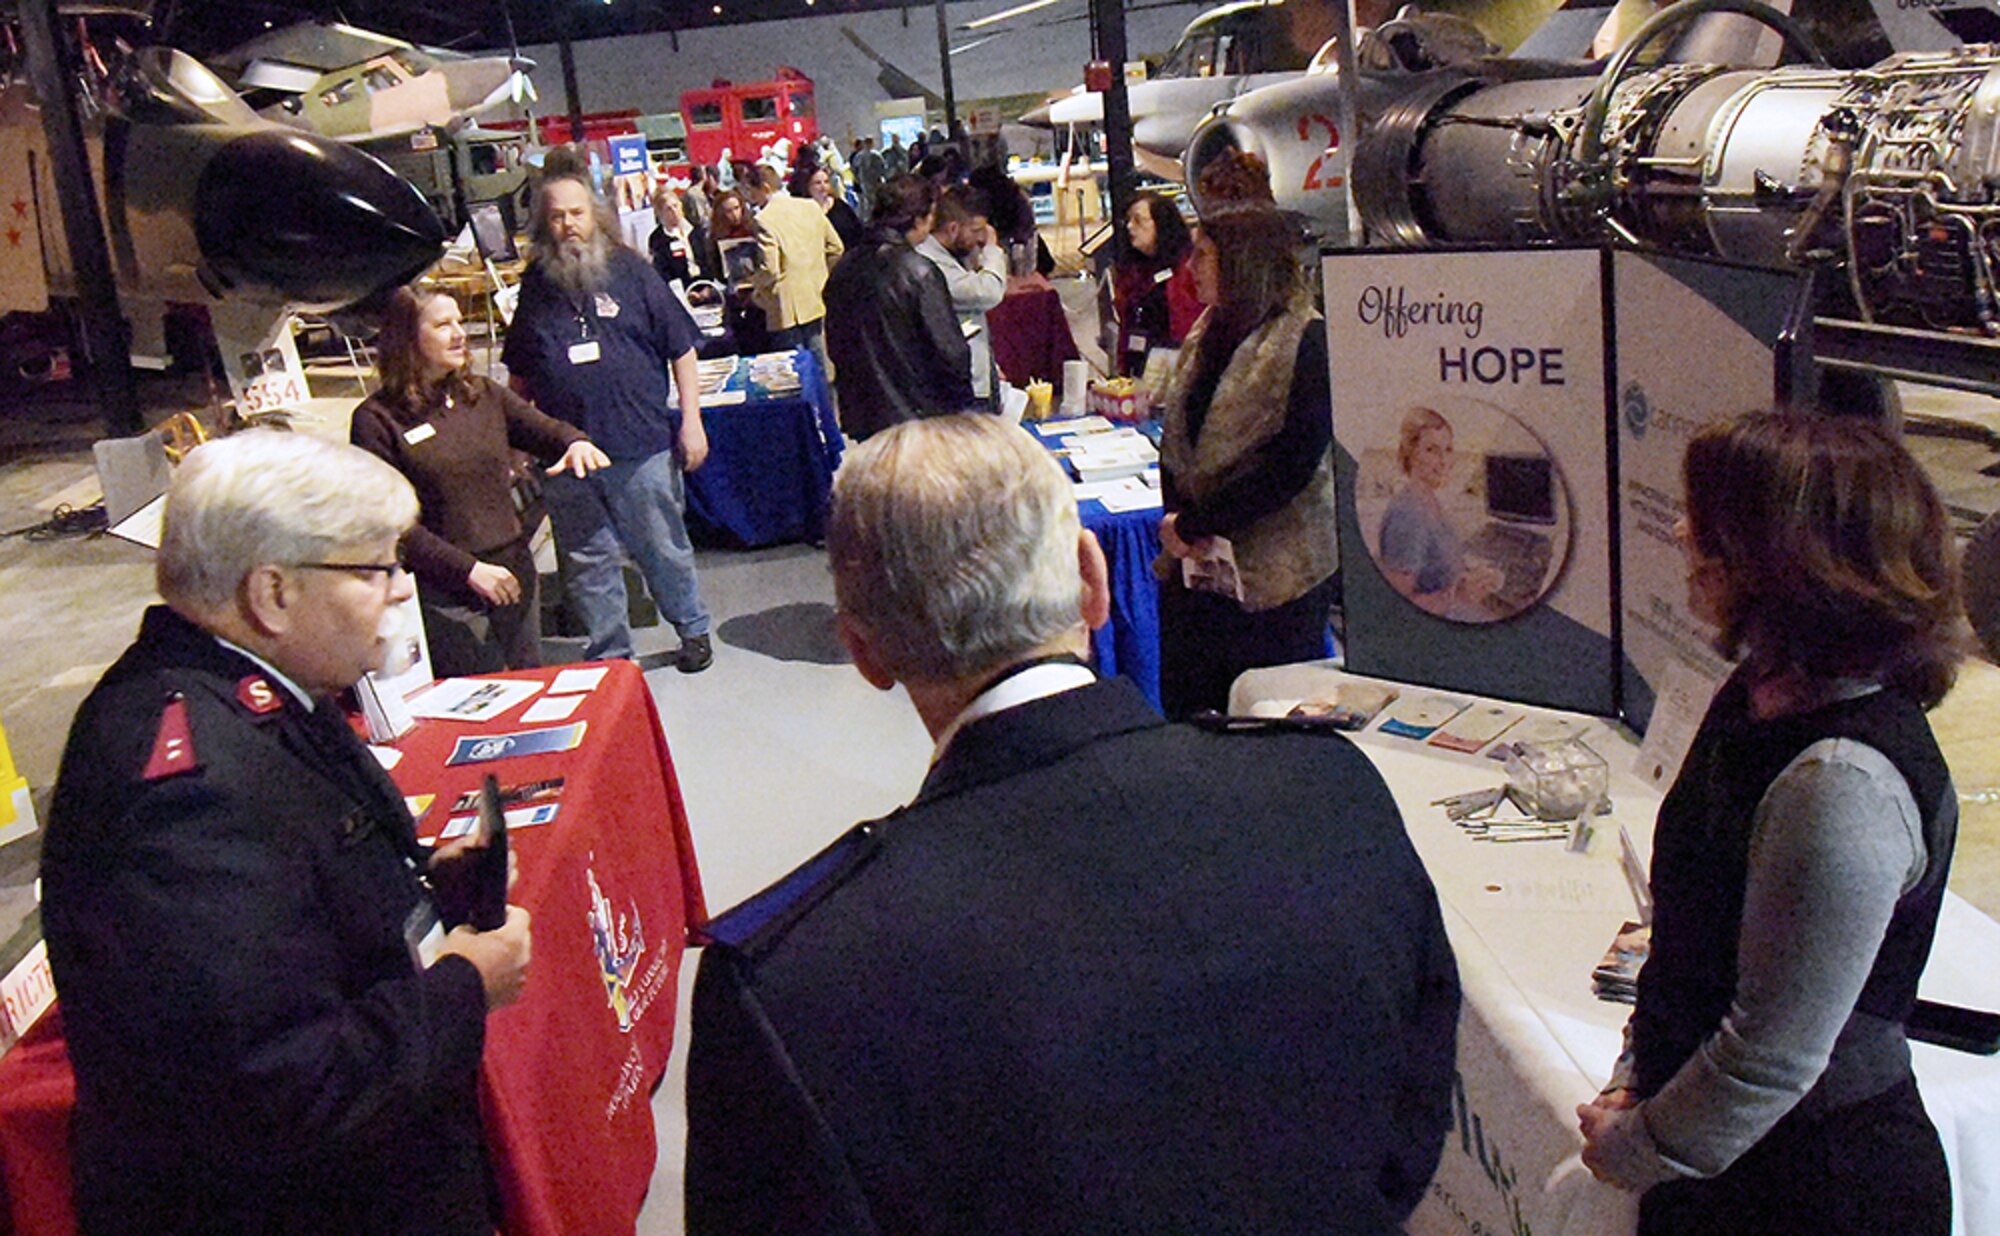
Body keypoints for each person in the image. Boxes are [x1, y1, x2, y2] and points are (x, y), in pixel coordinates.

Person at [684, 413, 1460, 1233]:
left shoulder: (795, 986)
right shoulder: (1331, 791)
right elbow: (1411, 1127)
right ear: (1094, 582)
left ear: (864, 653)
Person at [41, 430, 533, 1234]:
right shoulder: (188, 791)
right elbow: (273, 1086)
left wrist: (417, 888)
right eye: (377, 568)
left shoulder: (249, 692)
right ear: (273, 594)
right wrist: (462, 988)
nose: (403, 592)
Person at [1578, 413, 1966, 1235]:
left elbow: (1772, 1055)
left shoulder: (1839, 784)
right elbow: (1689, 940)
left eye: (1708, 523)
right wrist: (1634, 1070)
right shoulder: (1756, 691)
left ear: (1782, 560)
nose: (1682, 532)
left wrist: (1634, 1146)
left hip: (1814, 1192)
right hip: (1729, 1164)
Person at [500, 153, 715, 672]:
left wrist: (692, 421)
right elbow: (520, 375)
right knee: (587, 561)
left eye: (576, 213)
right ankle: (612, 656)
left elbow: (681, 350)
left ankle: (693, 629)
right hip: (566, 457)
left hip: (638, 445)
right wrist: (515, 445)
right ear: (544, 223)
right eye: (556, 216)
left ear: (594, 214)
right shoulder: (536, 286)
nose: (567, 224)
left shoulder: (633, 272)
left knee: (660, 547)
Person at [350, 286, 610, 675]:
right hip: (447, 592)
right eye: (443, 325)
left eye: (459, 321)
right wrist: (468, 570)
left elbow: (544, 430)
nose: (459, 333)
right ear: (407, 337)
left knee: (530, 686)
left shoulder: (483, 395)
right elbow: (388, 524)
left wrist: (575, 442)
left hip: (514, 574)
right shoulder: (377, 420)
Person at [1154, 186, 1337, 719]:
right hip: (1198, 572)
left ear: (1243, 262)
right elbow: (1180, 439)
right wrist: (1181, 526)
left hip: (1276, 578)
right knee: (1194, 710)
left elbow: (1294, 463)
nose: (1191, 268)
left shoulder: (1305, 340)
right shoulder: (1207, 331)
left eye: (1204, 255)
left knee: (1264, 717)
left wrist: (1198, 522)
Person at [822, 173, 974, 439]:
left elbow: (836, 344)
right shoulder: (919, 271)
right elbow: (950, 351)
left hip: (865, 414)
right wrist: (963, 409)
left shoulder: (844, 268)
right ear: (917, 219)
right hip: (918, 414)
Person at [1377, 406, 1503, 620]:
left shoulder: (1427, 499)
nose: (1444, 460)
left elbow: (1438, 570)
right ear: (1410, 453)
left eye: (1448, 449)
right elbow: (1398, 609)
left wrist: (1472, 577)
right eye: (1432, 450)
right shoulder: (1408, 514)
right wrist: (1460, 595)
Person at [742, 163, 843, 377]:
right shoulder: (810, 207)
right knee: (820, 368)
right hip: (816, 296)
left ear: (765, 188)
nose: (751, 198)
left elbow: (770, 271)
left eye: (752, 191)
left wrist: (752, 283)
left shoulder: (764, 219)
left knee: (793, 373)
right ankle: (826, 410)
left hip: (785, 306)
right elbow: (836, 248)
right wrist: (821, 274)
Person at [914, 182, 1008, 406]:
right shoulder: (930, 263)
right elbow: (989, 291)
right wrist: (992, 250)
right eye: (975, 231)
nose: (980, 239)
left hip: (974, 371)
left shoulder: (953, 255)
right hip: (957, 387)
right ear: (953, 228)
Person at [1111, 191, 1201, 378]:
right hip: (1139, 362)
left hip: (1177, 364)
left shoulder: (1189, 267)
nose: (1130, 227)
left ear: (1161, 224)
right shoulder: (1132, 270)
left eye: (1139, 220)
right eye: (1128, 220)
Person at [799, 163, 865, 250]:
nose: (823, 186)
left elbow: (858, 231)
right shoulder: (804, 210)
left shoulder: (841, 206)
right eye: (817, 183)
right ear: (808, 187)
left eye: (826, 182)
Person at [648, 182, 697, 288]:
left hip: (706, 285)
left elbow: (706, 261)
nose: (674, 211)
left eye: (676, 206)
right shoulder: (657, 239)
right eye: (668, 209)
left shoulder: (695, 229)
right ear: (660, 213)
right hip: (680, 288)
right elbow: (664, 272)